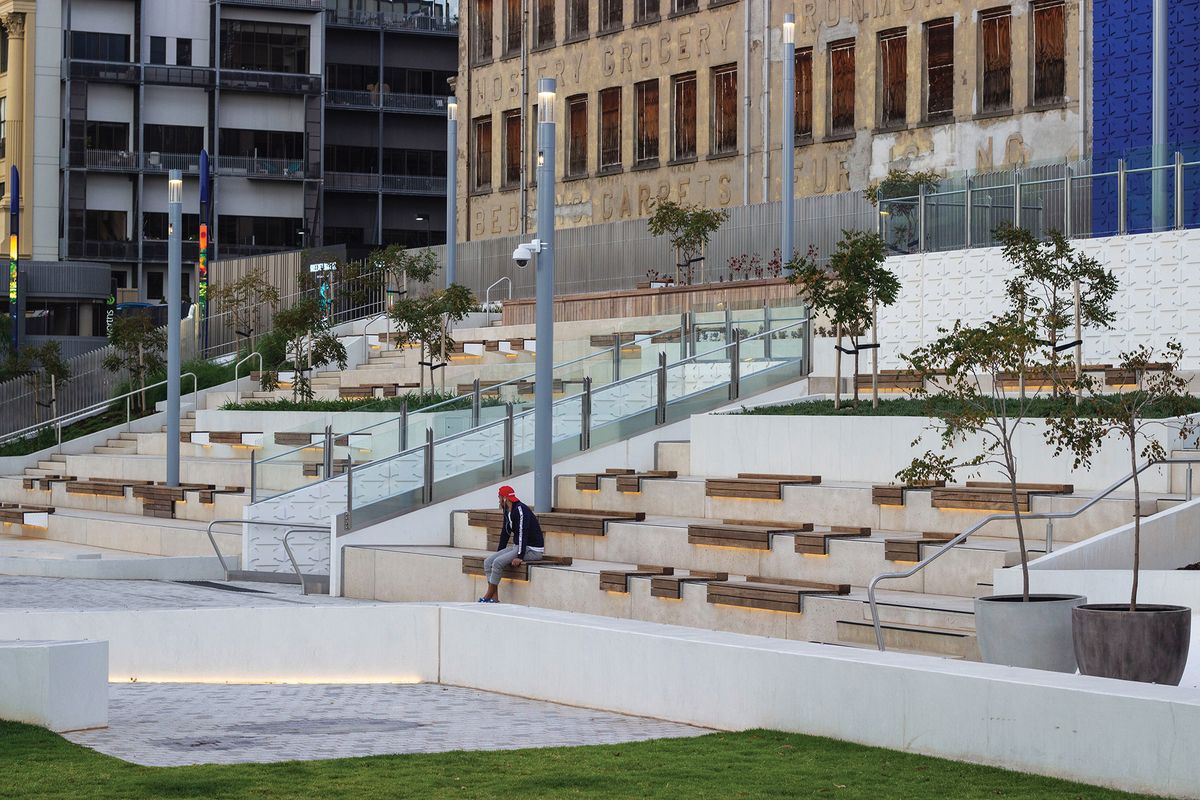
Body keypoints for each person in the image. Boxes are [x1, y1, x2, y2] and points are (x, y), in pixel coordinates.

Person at [479, 485, 544, 603]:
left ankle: (488, 596)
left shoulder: (520, 510)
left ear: (504, 498)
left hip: (532, 550)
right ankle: (495, 599)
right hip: (519, 546)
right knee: (488, 562)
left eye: (499, 498)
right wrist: (500, 551)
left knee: (497, 563)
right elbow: (505, 532)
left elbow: (522, 533)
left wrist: (519, 556)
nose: (498, 501)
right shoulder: (507, 510)